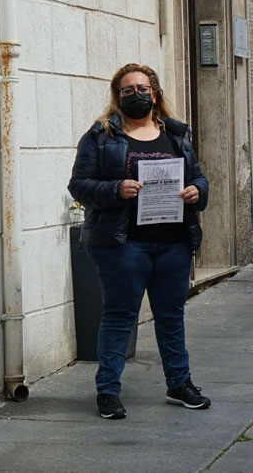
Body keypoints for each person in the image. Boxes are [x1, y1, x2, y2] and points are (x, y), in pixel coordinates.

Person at [67, 63, 210, 421]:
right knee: (119, 316)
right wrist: (116, 189)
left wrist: (197, 192)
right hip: (121, 244)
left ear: (155, 93)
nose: (136, 95)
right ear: (117, 96)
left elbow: (199, 178)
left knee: (171, 316)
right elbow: (79, 185)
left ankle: (179, 384)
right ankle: (108, 392)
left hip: (173, 243)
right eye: (127, 90)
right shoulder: (100, 136)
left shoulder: (177, 135)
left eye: (142, 88)